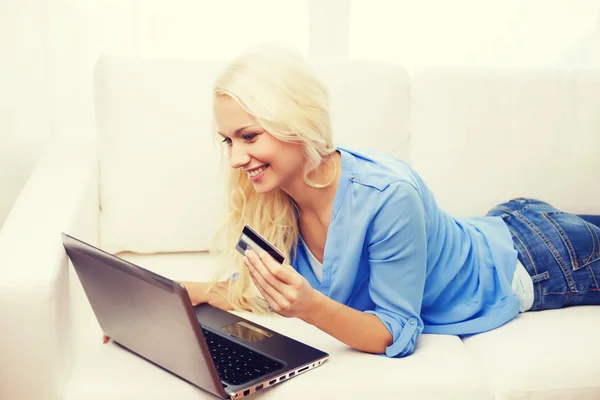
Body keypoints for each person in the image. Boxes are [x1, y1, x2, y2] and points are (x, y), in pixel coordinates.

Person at [109, 44, 600, 357]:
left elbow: (395, 333)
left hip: (541, 260)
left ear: (295, 123)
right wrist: (177, 293)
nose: (236, 157)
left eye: (249, 136)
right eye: (227, 140)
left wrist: (309, 307)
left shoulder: (388, 196)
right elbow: (267, 287)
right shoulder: (275, 194)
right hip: (504, 222)